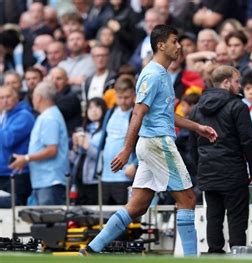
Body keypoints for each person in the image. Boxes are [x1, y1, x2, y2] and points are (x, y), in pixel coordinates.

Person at [80, 25, 217, 256]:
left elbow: (165, 114)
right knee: (188, 200)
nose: (179, 45)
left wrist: (198, 127)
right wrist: (126, 149)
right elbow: (138, 112)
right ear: (161, 45)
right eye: (174, 41)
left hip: (151, 143)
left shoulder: (161, 74)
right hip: (158, 143)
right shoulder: (153, 74)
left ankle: (91, 250)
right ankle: (192, 259)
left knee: (138, 205)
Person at [189, 65, 252, 253]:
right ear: (226, 83)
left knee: (213, 216)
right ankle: (237, 254)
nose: (240, 86)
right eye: (237, 82)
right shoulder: (237, 106)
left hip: (207, 172)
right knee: (236, 218)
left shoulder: (197, 109)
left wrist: (200, 169)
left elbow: (191, 144)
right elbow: (248, 141)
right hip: (233, 172)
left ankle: (214, 253)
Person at [9, 81, 69, 205]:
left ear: (39, 97)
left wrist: (26, 158)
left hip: (50, 181)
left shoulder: (50, 118)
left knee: (50, 222)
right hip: (43, 180)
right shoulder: (47, 115)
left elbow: (52, 150)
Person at [97, 75, 137, 205]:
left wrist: (135, 164)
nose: (123, 101)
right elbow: (104, 140)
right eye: (120, 97)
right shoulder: (110, 112)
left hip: (124, 176)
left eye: (127, 97)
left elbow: (144, 141)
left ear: (134, 95)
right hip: (105, 176)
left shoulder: (136, 114)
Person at [0, 86, 35, 206]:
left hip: (18, 173)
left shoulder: (24, 116)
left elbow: (8, 140)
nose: (4, 100)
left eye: (8, 97)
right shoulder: (5, 116)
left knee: (15, 213)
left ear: (16, 97)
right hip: (3, 173)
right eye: (1, 98)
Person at [71, 98, 107, 205]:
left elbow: (101, 156)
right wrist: (75, 146)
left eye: (97, 107)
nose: (93, 110)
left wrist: (87, 146)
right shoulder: (84, 129)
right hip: (80, 177)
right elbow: (74, 158)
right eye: (90, 108)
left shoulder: (105, 130)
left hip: (94, 179)